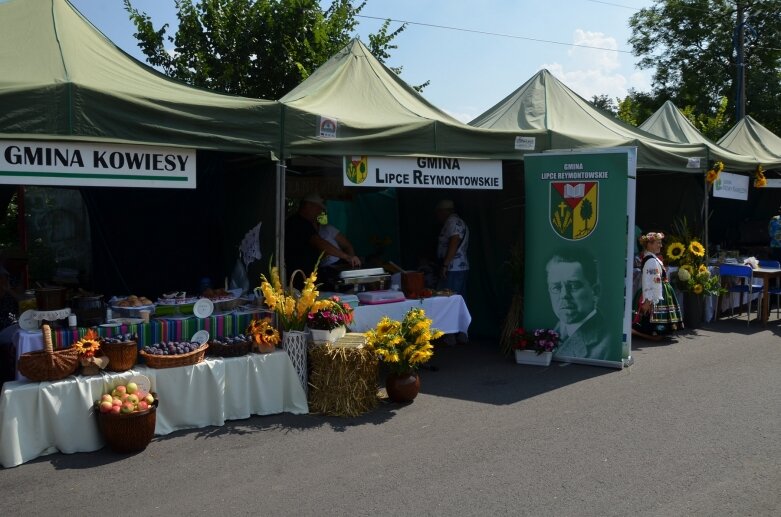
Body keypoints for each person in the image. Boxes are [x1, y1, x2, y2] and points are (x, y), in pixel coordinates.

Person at [545, 250, 611, 360]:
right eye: (556, 287)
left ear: (595, 291)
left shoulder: (606, 345)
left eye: (574, 286)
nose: (564, 295)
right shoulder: (553, 331)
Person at [285, 193, 361, 287]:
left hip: (308, 273)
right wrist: (346, 256)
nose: (320, 212)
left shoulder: (302, 222)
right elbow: (319, 242)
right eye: (318, 208)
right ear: (308, 206)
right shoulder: (298, 223)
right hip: (300, 274)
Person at [632, 232, 683, 340]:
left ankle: (648, 332)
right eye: (658, 243)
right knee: (654, 330)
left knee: (656, 328)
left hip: (658, 290)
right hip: (656, 292)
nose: (661, 245)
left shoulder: (652, 258)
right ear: (649, 244)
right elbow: (651, 281)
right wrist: (648, 301)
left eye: (660, 243)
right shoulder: (651, 261)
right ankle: (640, 332)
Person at [435, 199, 469, 295]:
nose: (438, 215)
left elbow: (455, 241)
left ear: (445, 211)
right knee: (457, 298)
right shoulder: (459, 221)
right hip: (458, 267)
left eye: (439, 212)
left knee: (450, 298)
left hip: (453, 268)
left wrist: (445, 265)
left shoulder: (452, 222)